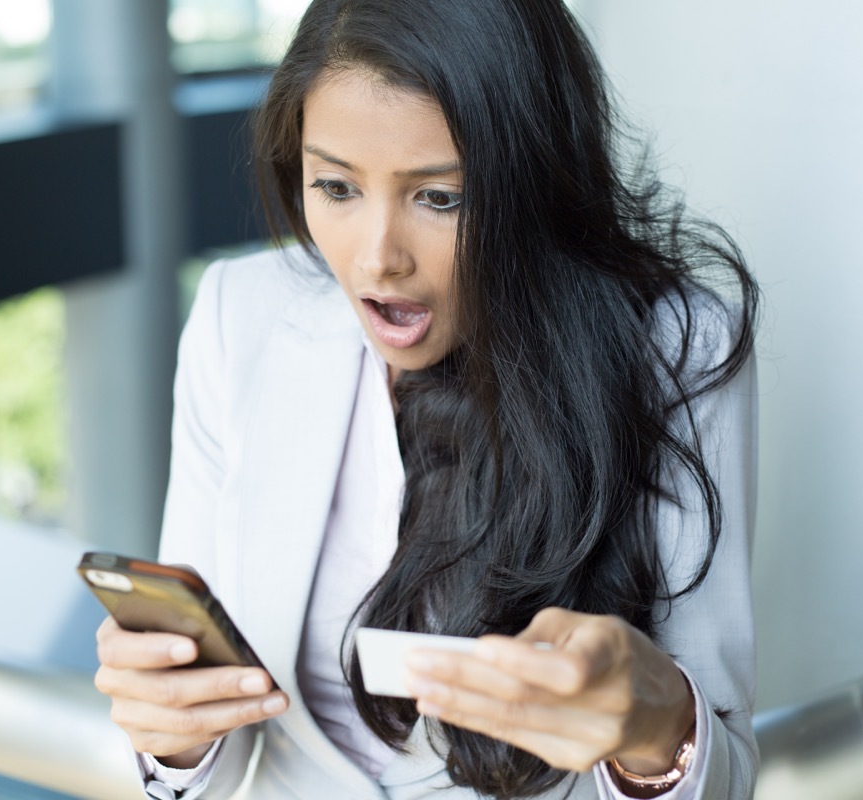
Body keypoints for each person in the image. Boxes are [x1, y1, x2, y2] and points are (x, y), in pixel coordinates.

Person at [93, 0, 760, 797]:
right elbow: (213, 756)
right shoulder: (240, 317)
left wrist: (652, 722)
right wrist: (174, 736)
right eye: (336, 187)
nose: (377, 260)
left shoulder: (676, 350)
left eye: (439, 198)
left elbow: (726, 776)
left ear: (533, 181)